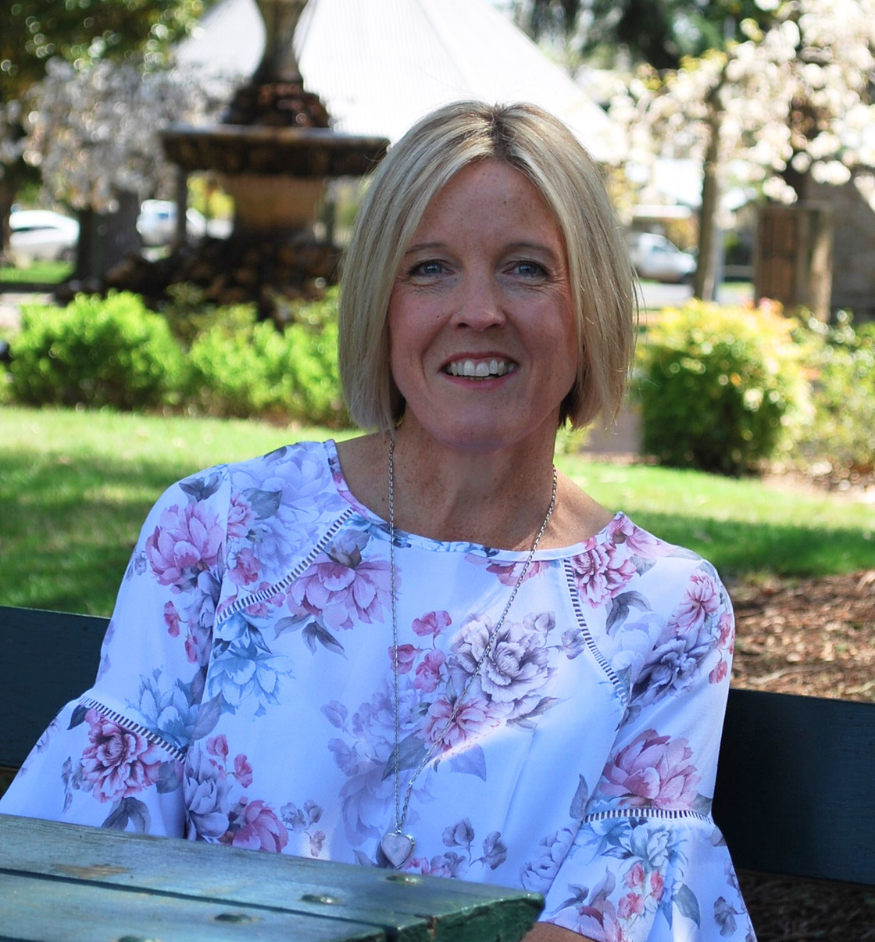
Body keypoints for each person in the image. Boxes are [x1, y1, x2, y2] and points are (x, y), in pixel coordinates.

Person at [1, 101, 755, 942]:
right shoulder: (219, 529)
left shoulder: (664, 608)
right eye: (429, 268)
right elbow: (97, 856)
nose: (478, 310)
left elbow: (609, 908)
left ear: (594, 306)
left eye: (528, 269)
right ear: (381, 303)